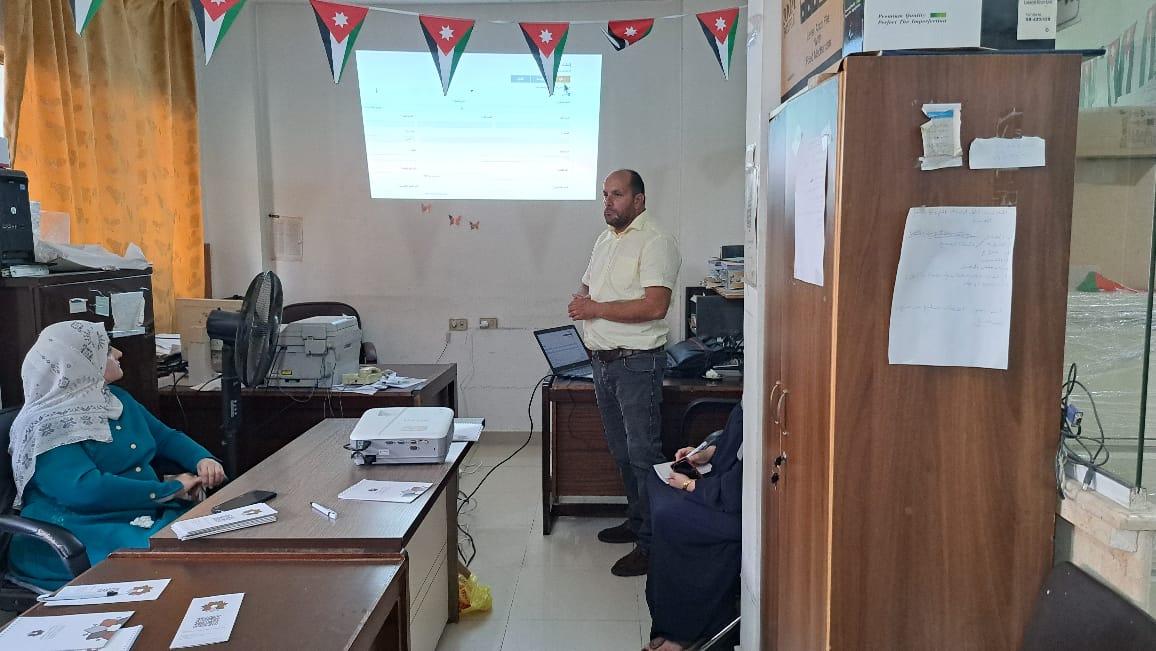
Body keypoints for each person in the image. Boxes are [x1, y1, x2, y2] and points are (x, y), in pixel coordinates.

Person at [8, 320, 226, 590]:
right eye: (108, 349)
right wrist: (168, 490)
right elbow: (86, 490)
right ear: (79, 363)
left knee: (214, 537)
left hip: (139, 513)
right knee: (182, 564)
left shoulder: (115, 398)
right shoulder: (48, 426)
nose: (119, 353)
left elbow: (164, 437)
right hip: (80, 531)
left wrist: (202, 459)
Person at [567, 169, 681, 577]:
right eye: (605, 195)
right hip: (603, 361)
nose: (608, 202)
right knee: (621, 451)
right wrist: (583, 303)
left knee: (643, 454)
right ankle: (636, 522)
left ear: (639, 200)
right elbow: (588, 289)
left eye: (616, 194)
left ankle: (652, 544)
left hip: (636, 363)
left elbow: (654, 306)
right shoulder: (605, 239)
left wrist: (595, 309)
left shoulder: (656, 241)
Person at [644, 401, 743, 651]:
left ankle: (686, 633)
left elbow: (740, 486)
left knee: (669, 516)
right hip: (724, 482)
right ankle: (667, 623)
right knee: (656, 484)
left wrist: (691, 485)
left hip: (743, 509)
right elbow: (738, 437)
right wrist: (709, 453)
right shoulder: (754, 389)